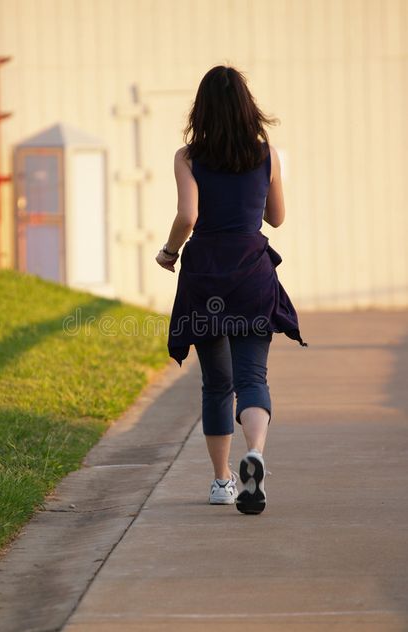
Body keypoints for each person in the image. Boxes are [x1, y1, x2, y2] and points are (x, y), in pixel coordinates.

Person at [155, 64, 308, 515]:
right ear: (248, 108)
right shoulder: (268, 155)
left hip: (206, 275)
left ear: (200, 109)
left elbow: (188, 216)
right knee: (252, 378)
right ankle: (255, 455)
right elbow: (276, 218)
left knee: (217, 384)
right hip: (252, 273)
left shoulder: (188, 157)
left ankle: (222, 481)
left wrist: (168, 252)